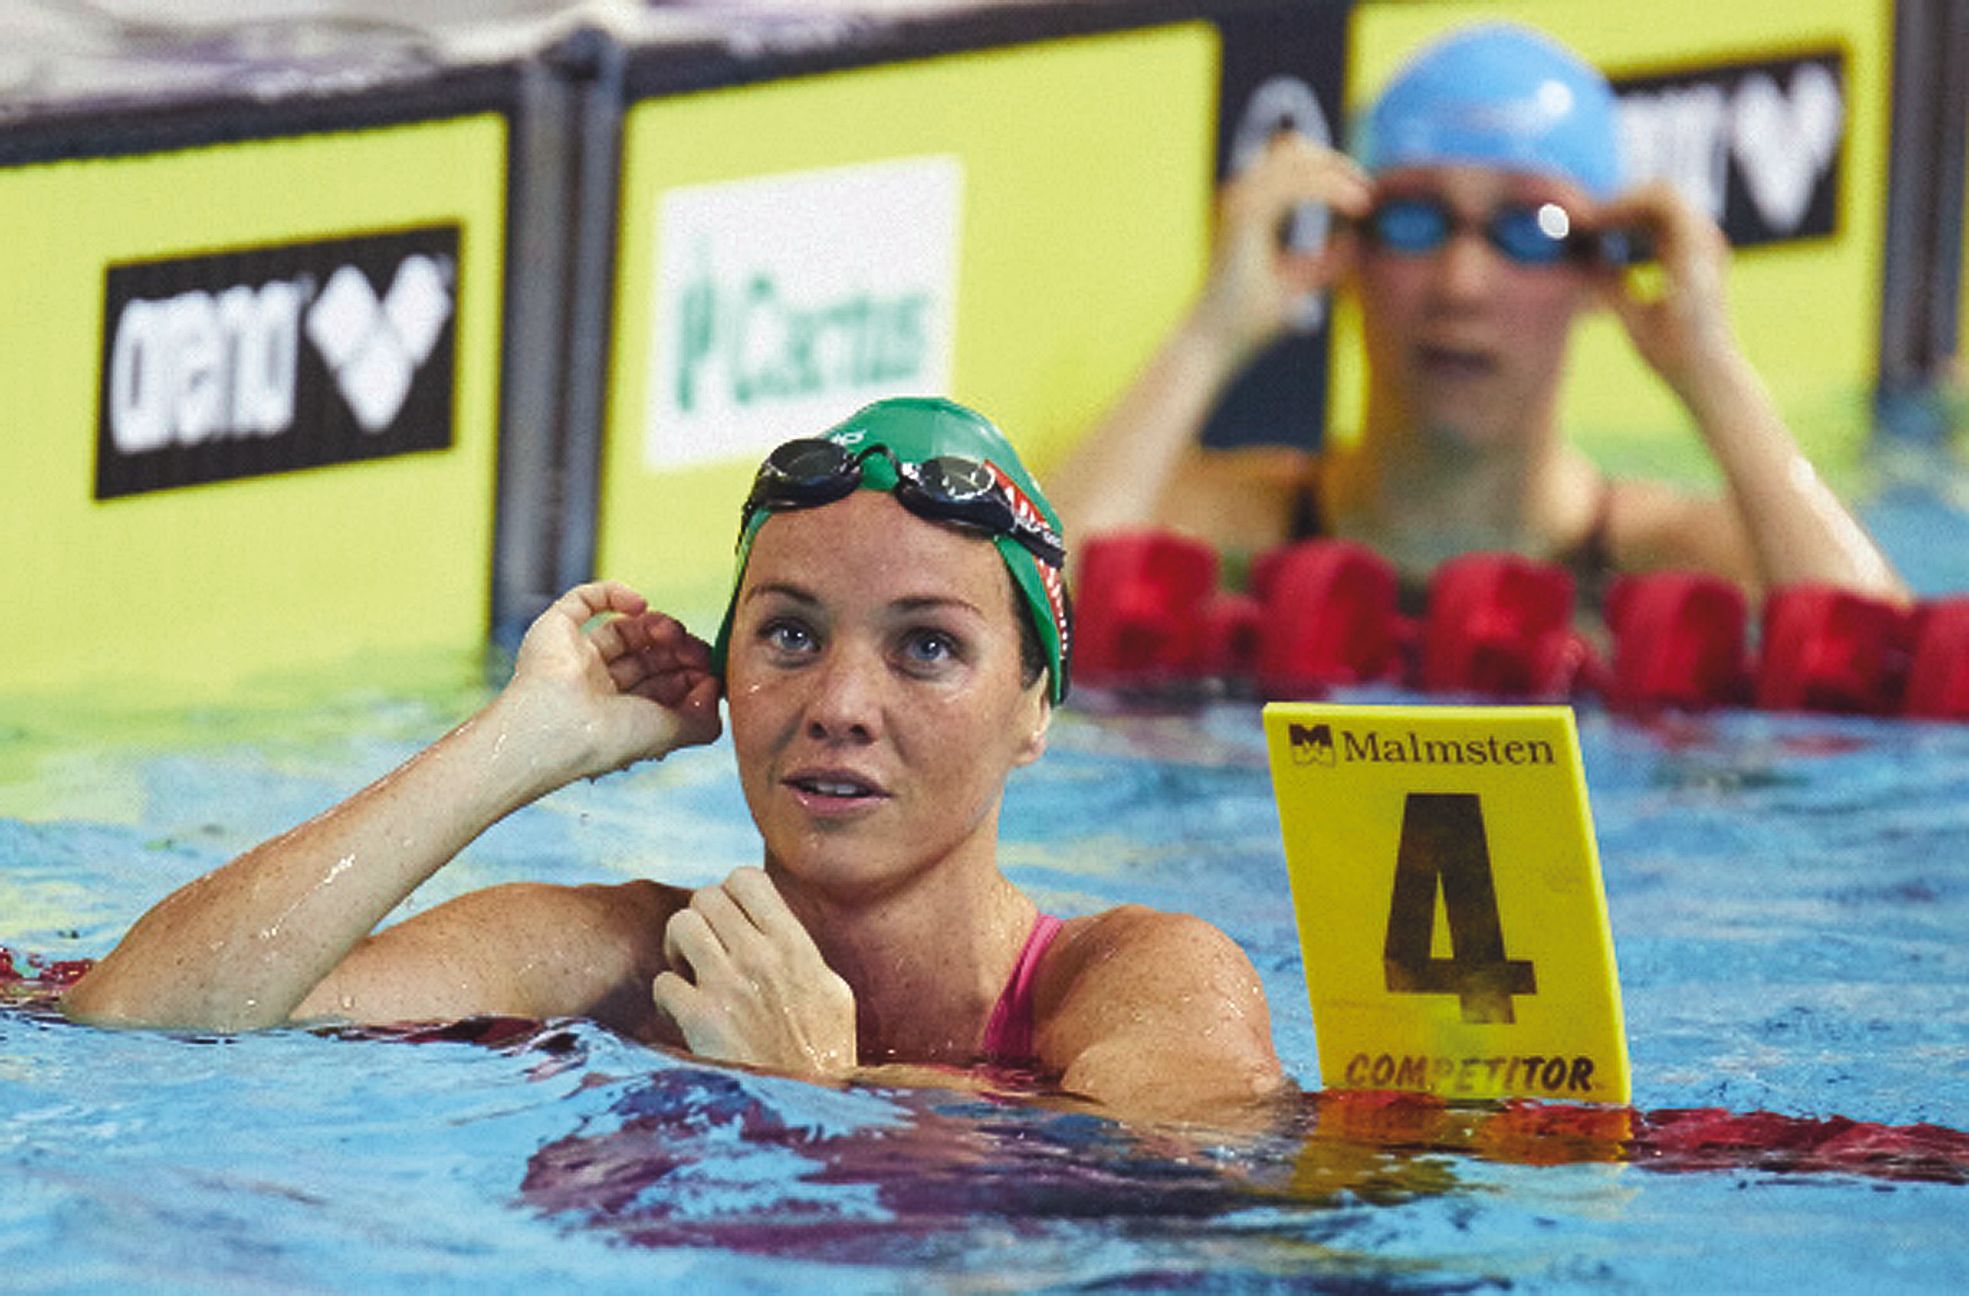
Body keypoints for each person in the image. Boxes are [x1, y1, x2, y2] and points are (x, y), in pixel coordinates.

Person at [63, 397, 1285, 1121]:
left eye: (926, 647)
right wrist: (516, 746)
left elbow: (1202, 1204)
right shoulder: (614, 958)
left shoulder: (1132, 977)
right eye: (790, 635)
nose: (840, 705)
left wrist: (828, 1090)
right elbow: (145, 1024)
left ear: (1036, 709)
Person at [1048, 23, 1905, 606]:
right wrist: (1208, 334)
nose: (1461, 282)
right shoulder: (1230, 532)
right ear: (1349, 253)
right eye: (1412, 220)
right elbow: (1027, 604)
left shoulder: (1673, 559)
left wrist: (1710, 371)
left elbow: (1879, 663)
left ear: (1599, 268)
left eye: (1529, 231)